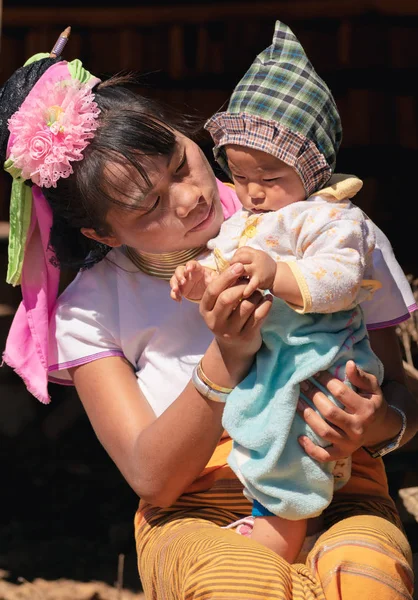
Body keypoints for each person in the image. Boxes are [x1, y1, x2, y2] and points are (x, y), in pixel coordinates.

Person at [0, 32, 417, 600]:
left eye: (179, 162)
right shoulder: (92, 308)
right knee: (236, 583)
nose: (188, 197)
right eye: (147, 206)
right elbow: (152, 478)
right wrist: (227, 355)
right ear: (100, 232)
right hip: (194, 513)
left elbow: (403, 393)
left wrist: (380, 424)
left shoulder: (321, 228)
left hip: (347, 490)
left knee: (368, 580)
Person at [168, 20, 385, 561]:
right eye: (240, 176)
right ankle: (275, 520)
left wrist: (278, 274)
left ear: (311, 168)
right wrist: (200, 279)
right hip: (272, 361)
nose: (254, 192)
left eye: (270, 175)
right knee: (264, 439)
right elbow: (226, 268)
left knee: (296, 446)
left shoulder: (329, 216)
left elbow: (340, 280)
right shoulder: (245, 220)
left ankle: (279, 533)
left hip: (320, 359)